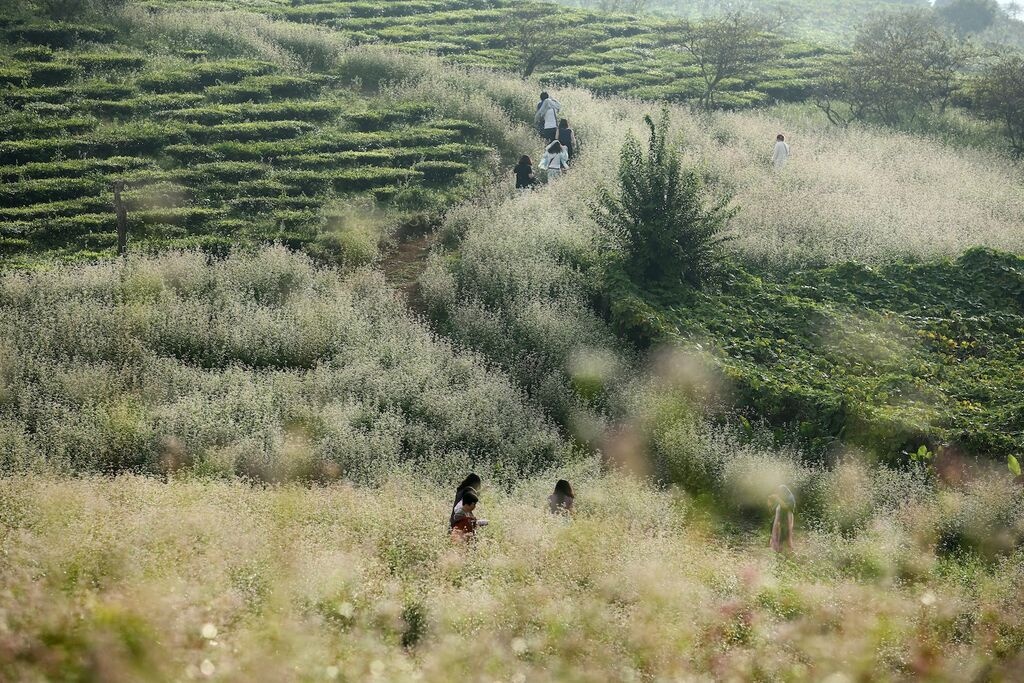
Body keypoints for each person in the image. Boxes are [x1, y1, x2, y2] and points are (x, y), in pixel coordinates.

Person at [768, 484, 796, 552]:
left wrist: (777, 498)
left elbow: (786, 507)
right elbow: (773, 510)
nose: (779, 494)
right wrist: (769, 504)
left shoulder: (790, 498)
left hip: (787, 518)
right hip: (779, 519)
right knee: (778, 532)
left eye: (780, 492)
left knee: (786, 533)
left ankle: (788, 550)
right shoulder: (782, 497)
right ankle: (777, 548)